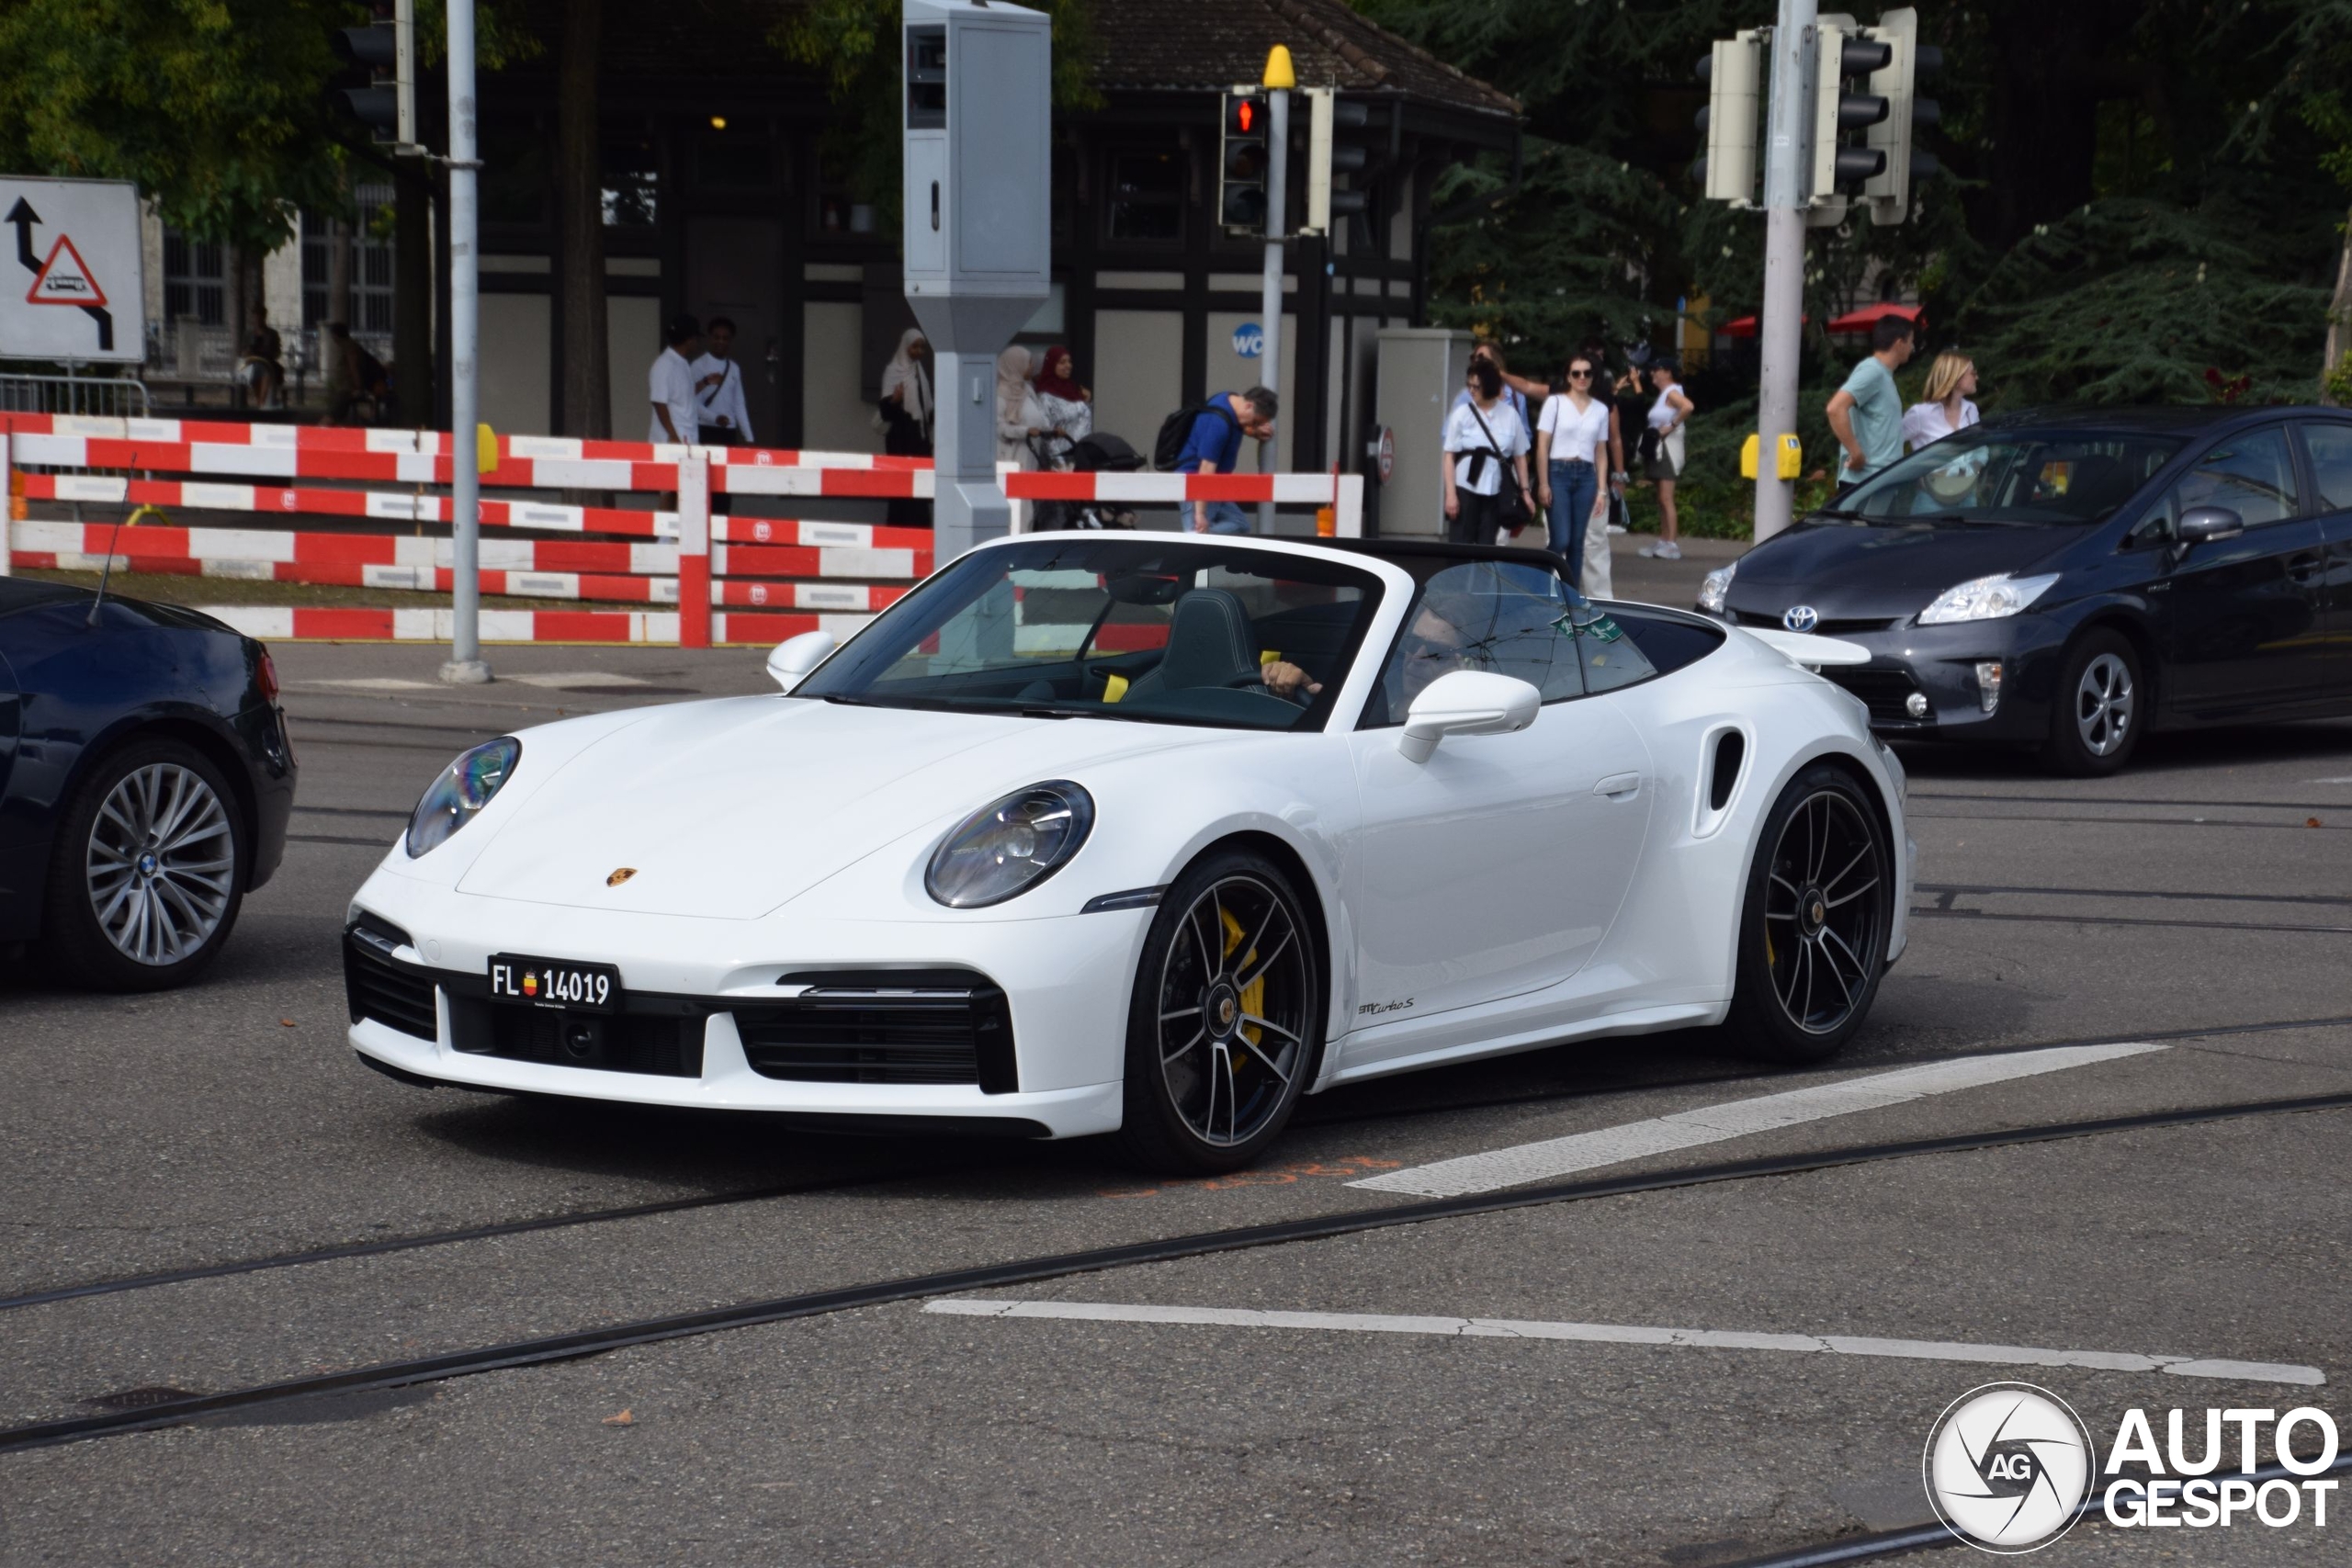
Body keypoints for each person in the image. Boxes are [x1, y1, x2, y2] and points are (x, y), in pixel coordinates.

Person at [1535, 352, 1611, 586]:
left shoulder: (1600, 409)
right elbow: (1542, 445)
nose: (1582, 377)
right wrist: (1544, 482)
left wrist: (1601, 490)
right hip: (1559, 471)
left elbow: (1601, 451)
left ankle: (1571, 595)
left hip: (1587, 474)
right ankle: (1542, 583)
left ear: (1592, 377)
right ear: (1568, 377)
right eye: (1576, 373)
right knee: (1561, 539)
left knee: (1578, 542)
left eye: (1587, 373)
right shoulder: (1555, 403)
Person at [1442, 358, 1534, 545]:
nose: (1471, 390)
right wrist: (1451, 494)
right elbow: (1449, 456)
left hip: (1495, 487)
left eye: (1476, 387)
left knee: (1487, 546)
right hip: (1465, 485)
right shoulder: (1462, 413)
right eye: (1469, 386)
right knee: (1460, 544)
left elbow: (1519, 457)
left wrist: (1524, 491)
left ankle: (1483, 575)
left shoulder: (1510, 415)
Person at [1826, 314, 1917, 491]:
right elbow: (1835, 408)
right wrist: (1855, 452)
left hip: (1877, 480)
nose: (1912, 348)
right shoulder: (1872, 371)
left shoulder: (1883, 374)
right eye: (1911, 341)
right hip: (1865, 482)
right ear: (1899, 343)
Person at [1172, 388, 1277, 534]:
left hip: (1216, 484)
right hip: (1196, 482)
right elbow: (1206, 468)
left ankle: (1201, 537)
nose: (1252, 426)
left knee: (1239, 524)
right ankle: (1195, 538)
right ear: (1249, 406)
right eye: (1255, 422)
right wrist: (1200, 513)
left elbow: (1238, 425)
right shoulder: (1219, 424)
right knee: (1197, 533)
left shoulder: (1227, 399)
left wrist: (1253, 431)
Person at [1635, 360, 1693, 560]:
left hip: (1668, 449)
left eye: (1656, 369)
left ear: (1668, 372)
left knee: (1666, 497)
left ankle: (1671, 543)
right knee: (1661, 497)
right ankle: (1663, 539)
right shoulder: (1666, 394)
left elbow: (1687, 407)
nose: (1652, 373)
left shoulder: (1672, 392)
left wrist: (1671, 425)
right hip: (1659, 449)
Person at [1451, 341, 1539, 449]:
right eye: (1474, 358)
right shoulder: (1466, 396)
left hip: (1506, 460)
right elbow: (1449, 435)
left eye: (1482, 358)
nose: (1477, 362)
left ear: (1496, 363)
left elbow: (1525, 435)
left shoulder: (1516, 396)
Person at [1903, 351, 1980, 450]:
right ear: (1956, 377)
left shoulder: (1971, 409)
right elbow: (1889, 444)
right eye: (1973, 373)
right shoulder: (1920, 414)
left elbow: (1980, 448)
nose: (1977, 377)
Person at [648, 313, 703, 445]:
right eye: (696, 338)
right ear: (690, 340)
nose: (697, 342)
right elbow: (659, 402)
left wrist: (705, 383)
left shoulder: (682, 363)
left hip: (687, 436)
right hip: (670, 441)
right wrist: (672, 435)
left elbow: (684, 395)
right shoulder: (664, 364)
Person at [877, 328, 933, 457]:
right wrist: (894, 401)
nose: (919, 351)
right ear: (906, 346)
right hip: (900, 438)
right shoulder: (893, 371)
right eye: (914, 347)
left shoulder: (919, 370)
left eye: (922, 347)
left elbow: (926, 405)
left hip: (919, 436)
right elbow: (885, 413)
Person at [996, 346, 1048, 469]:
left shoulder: (1027, 390)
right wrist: (1025, 431)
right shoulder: (1000, 395)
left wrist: (1049, 431)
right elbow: (1000, 429)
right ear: (1016, 364)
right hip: (1011, 458)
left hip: (1031, 456)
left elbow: (1038, 417)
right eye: (1028, 363)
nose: (1032, 367)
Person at [1034, 344, 1093, 447]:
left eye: (1069, 361)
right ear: (1051, 365)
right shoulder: (1045, 396)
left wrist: (1086, 402)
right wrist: (1059, 462)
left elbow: (1082, 421)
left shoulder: (1073, 390)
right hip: (1062, 457)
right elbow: (1046, 433)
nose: (1068, 366)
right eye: (1062, 362)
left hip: (1082, 455)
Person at [235, 331, 284, 412]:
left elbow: (277, 353)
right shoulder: (249, 334)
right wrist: (249, 352)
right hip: (251, 366)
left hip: (266, 366)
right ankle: (261, 403)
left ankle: (263, 403)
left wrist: (267, 354)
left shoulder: (271, 334)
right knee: (258, 371)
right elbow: (243, 355)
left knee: (265, 372)